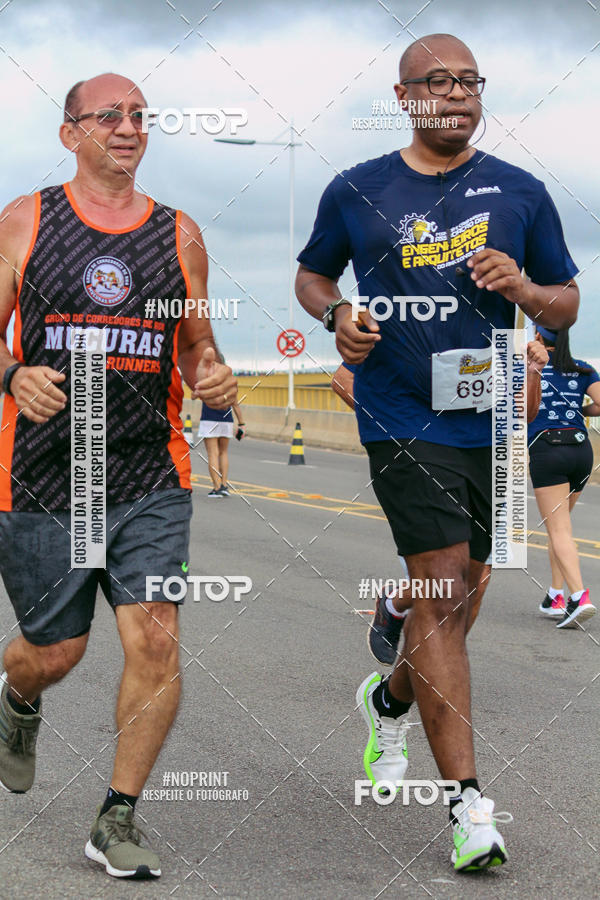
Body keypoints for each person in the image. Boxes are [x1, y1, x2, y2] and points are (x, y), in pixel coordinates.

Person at [297, 33, 578, 872]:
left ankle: (387, 701)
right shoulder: (358, 189)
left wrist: (523, 289)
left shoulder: (521, 191)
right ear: (404, 95)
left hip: (493, 417)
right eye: (438, 81)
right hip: (399, 413)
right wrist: (337, 314)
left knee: (461, 600)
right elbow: (313, 275)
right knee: (443, 587)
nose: (457, 94)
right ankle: (468, 810)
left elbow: (564, 302)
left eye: (469, 81)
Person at [0, 73, 236, 879]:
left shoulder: (179, 234)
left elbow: (197, 346)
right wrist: (13, 375)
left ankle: (116, 816)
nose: (129, 127)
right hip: (45, 475)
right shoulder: (27, 219)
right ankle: (17, 696)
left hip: (147, 473)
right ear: (71, 134)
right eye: (110, 116)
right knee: (55, 652)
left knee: (155, 636)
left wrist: (213, 374)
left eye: (140, 115)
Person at [334, 335, 549, 667]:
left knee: (475, 583)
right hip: (430, 461)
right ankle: (418, 651)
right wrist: (394, 426)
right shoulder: (419, 321)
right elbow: (342, 378)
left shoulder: (506, 341)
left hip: (493, 468)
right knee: (442, 582)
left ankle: (428, 663)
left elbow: (527, 413)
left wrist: (533, 369)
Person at [528, 325, 599, 627]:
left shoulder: (530, 368)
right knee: (561, 529)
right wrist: (580, 410)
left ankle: (578, 597)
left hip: (548, 448)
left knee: (559, 530)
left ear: (538, 337)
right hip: (581, 451)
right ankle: (555, 596)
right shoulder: (583, 368)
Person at [197, 388, 245, 497]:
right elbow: (235, 404)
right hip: (226, 421)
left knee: (213, 453)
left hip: (209, 419)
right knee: (223, 452)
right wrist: (241, 423)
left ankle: (217, 488)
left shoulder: (206, 381)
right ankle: (224, 485)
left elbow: (196, 395)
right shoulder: (229, 383)